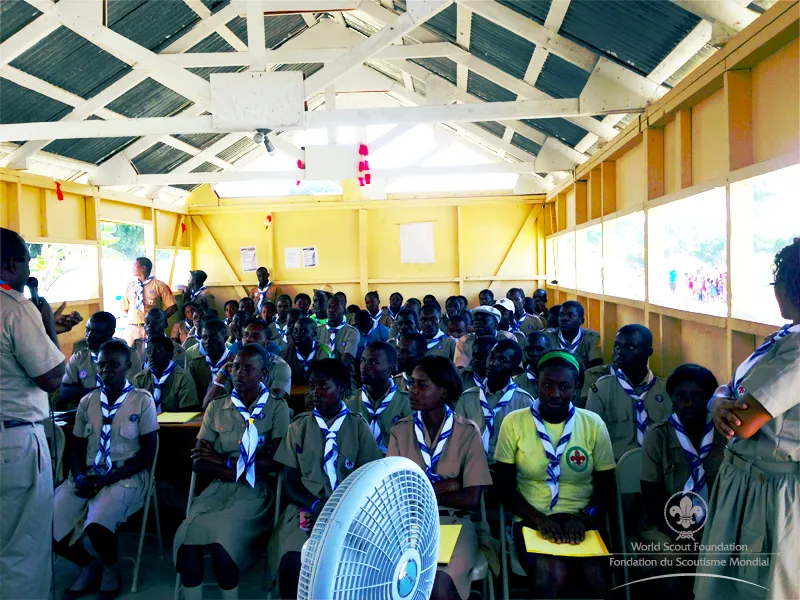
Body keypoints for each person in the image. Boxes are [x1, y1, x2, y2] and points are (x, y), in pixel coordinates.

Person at [695, 239, 800, 600]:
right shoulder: (783, 337)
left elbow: (743, 421)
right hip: (744, 479)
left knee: (762, 587)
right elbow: (730, 388)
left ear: (788, 286)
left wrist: (723, 402)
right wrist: (717, 400)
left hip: (772, 489)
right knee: (727, 586)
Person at [494, 350, 615, 598]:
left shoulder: (593, 424)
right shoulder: (514, 422)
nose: (554, 394)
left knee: (596, 573)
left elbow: (606, 487)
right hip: (532, 519)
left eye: (564, 386)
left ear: (577, 387)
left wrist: (583, 518)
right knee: (551, 571)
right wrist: (539, 519)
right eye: (547, 384)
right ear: (536, 382)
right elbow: (505, 489)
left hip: (582, 521)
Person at [175, 344, 289, 600]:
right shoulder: (218, 406)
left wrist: (224, 462)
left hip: (257, 493)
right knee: (186, 535)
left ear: (264, 375)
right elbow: (198, 462)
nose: (239, 373)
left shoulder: (276, 408)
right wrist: (239, 467)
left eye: (248, 368)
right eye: (236, 366)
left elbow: (276, 463)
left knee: (221, 538)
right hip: (219, 487)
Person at [0, 227, 77, 600]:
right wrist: (46, 324)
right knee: (23, 548)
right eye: (27, 262)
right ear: (12, 264)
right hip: (13, 444)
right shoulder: (14, 306)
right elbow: (51, 377)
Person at [268, 359, 382, 598]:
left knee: (354, 563)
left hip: (349, 511)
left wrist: (341, 508)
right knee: (293, 561)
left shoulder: (358, 427)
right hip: (306, 508)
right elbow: (289, 482)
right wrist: (315, 504)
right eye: (312, 387)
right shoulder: (299, 426)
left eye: (323, 386)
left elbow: (370, 479)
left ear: (341, 388)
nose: (315, 393)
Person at [53, 340, 158, 598]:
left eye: (114, 365)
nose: (107, 370)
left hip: (125, 476)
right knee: (48, 523)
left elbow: (147, 453)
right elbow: (76, 447)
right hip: (88, 474)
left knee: (97, 524)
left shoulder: (141, 400)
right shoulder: (88, 402)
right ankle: (88, 565)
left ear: (127, 367)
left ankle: (110, 569)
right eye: (102, 365)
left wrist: (109, 479)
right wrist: (78, 475)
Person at [388, 356, 492, 600]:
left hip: (454, 523)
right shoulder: (400, 431)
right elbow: (395, 495)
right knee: (399, 585)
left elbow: (471, 499)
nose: (412, 391)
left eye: (422, 386)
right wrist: (449, 485)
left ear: (443, 391)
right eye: (412, 383)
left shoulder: (467, 431)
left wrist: (421, 490)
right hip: (409, 526)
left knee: (437, 587)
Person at [639, 364, 724, 600]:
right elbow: (651, 495)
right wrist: (683, 534)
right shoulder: (658, 436)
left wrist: (708, 533)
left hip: (715, 523)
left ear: (709, 401)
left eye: (698, 397)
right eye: (681, 397)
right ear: (672, 400)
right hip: (665, 527)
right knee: (675, 565)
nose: (689, 403)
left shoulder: (723, 435)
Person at [586, 325, 672, 459]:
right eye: (617, 346)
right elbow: (591, 440)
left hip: (659, 467)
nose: (620, 352)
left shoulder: (667, 390)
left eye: (630, 347)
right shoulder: (601, 390)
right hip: (615, 469)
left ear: (648, 352)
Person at [456, 339, 534, 462]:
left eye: (502, 360)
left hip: (508, 469)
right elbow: (457, 439)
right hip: (472, 467)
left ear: (514, 370)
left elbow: (529, 445)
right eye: (491, 356)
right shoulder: (468, 397)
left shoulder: (525, 402)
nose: (493, 363)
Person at [59, 311, 143, 408]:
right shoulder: (79, 357)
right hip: (87, 413)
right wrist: (96, 392)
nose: (89, 335)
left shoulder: (129, 355)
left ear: (110, 333)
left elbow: (130, 391)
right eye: (87, 330)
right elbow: (64, 392)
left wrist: (81, 391)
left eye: (96, 332)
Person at [347, 342, 412, 454]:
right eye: (362, 361)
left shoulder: (407, 403)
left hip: (394, 465)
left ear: (390, 369)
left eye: (373, 362)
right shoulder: (350, 402)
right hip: (359, 466)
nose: (364, 367)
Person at [131, 336, 199, 413]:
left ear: (170, 354)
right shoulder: (140, 379)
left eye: (158, 351)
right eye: (149, 351)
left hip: (175, 424)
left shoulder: (182, 378)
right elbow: (133, 409)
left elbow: (188, 411)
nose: (152, 355)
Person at [119, 256, 176, 346]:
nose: (132, 268)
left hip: (151, 328)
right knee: (130, 354)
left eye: (134, 266)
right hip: (132, 328)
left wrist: (159, 320)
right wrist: (135, 319)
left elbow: (172, 307)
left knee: (150, 352)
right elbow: (124, 307)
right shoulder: (130, 287)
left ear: (143, 268)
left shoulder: (159, 285)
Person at [186, 319, 234, 403]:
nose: (208, 341)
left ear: (225, 339)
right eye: (204, 337)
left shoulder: (235, 363)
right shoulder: (195, 365)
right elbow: (191, 397)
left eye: (214, 337)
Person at [544, 301, 603, 368]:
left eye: (570, 315)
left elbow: (596, 367)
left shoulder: (591, 337)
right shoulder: (548, 336)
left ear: (581, 321)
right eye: (561, 315)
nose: (564, 318)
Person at [316, 295, 360, 369]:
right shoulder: (317, 330)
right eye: (329, 307)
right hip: (319, 375)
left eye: (336, 307)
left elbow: (347, 359)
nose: (331, 310)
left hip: (343, 375)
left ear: (344, 311)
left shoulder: (351, 332)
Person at [284, 317, 330, 386]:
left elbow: (321, 378)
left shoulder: (322, 351)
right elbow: (285, 377)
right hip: (294, 392)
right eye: (295, 330)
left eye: (303, 331)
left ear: (314, 334)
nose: (297, 334)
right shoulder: (289, 350)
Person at [513, 331, 552, 399]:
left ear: (549, 350)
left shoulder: (560, 380)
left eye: (539, 349)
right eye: (529, 349)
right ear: (524, 352)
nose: (533, 353)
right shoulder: (515, 383)